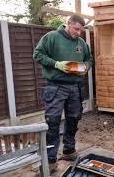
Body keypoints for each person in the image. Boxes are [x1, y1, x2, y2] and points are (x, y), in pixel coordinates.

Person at [33, 15, 93, 172]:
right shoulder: (51, 37)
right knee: (52, 122)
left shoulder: (81, 43)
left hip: (75, 87)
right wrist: (56, 64)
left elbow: (89, 60)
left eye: (81, 30)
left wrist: (85, 67)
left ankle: (69, 151)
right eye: (76, 29)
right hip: (55, 86)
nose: (78, 33)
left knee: (73, 119)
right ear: (68, 24)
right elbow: (37, 54)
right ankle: (50, 161)